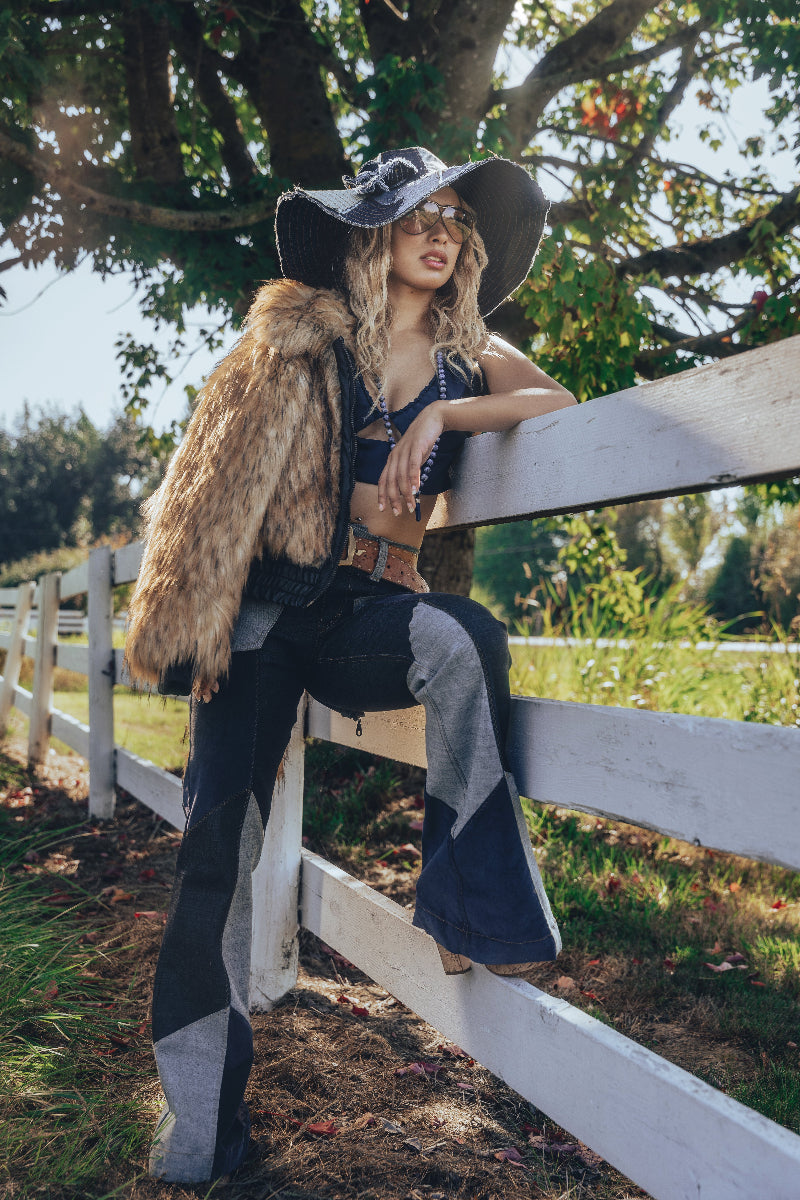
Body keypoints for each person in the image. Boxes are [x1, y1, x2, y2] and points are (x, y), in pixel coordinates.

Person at [124, 146, 576, 1184]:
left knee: (466, 639)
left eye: (456, 218)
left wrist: (442, 413)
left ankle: (469, 909)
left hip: (368, 613)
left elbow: (551, 401)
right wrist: (190, 623)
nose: (442, 230)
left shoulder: (471, 355)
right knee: (216, 858)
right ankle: (199, 1139)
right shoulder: (295, 341)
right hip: (266, 617)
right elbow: (208, 481)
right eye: (419, 213)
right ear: (371, 233)